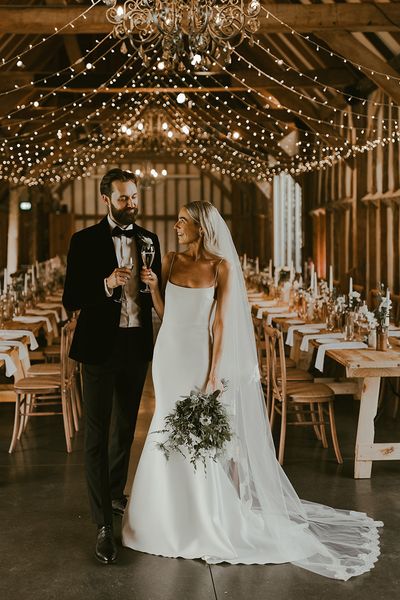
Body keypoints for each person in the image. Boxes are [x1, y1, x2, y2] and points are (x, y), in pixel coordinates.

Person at [122, 201, 382, 581]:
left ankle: (204, 517)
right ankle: (160, 517)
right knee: (164, 426)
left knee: (195, 437)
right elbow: (165, 313)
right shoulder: (172, 261)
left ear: (201, 227)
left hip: (198, 357)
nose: (176, 226)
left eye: (183, 221)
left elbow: (221, 325)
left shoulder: (221, 266)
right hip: (167, 356)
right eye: (177, 220)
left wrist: (213, 374)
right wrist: (154, 289)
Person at [62, 168, 161, 564]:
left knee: (125, 428)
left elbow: (160, 299)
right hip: (99, 348)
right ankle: (103, 522)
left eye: (134, 196)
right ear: (106, 200)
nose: (131, 203)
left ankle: (115, 496)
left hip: (136, 345)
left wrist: (156, 286)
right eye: (123, 198)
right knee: (97, 433)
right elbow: (72, 297)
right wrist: (105, 284)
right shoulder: (83, 241)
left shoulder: (150, 240)